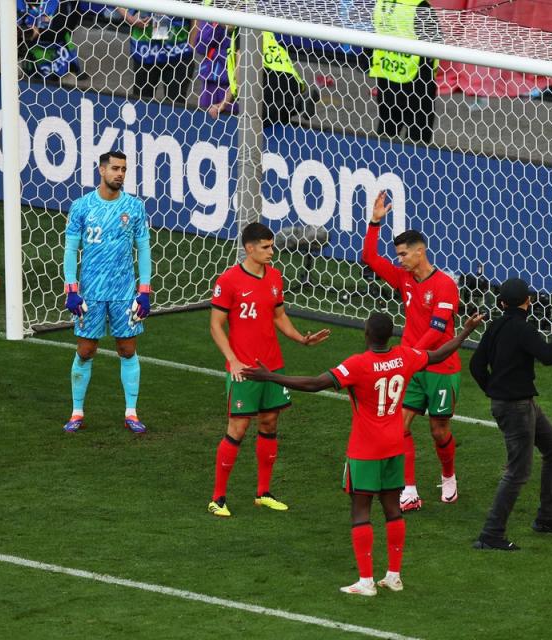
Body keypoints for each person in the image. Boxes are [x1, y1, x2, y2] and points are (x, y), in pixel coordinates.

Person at [242, 311, 485, 595]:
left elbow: (314, 383)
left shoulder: (358, 365)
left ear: (366, 334)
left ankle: (366, 581)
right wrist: (465, 331)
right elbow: (439, 354)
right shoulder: (405, 356)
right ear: (390, 335)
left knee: (361, 511)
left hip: (365, 450)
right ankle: (394, 576)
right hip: (395, 447)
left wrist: (270, 377)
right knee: (393, 509)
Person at [207, 222, 331, 517]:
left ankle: (263, 493)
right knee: (237, 427)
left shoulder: (275, 276)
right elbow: (215, 325)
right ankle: (218, 498)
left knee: (270, 424)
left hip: (272, 368)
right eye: (265, 247)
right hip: (245, 370)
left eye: (271, 246)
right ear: (249, 248)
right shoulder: (230, 280)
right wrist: (233, 360)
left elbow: (279, 316)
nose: (271, 252)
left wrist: (301, 338)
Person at [362, 191, 461, 512]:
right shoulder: (403, 278)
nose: (399, 259)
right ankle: (409, 490)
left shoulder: (445, 285)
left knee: (438, 429)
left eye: (404, 254)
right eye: (399, 255)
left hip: (440, 366)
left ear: (421, 252)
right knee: (399, 426)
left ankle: (449, 478)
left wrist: (409, 355)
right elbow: (370, 258)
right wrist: (375, 221)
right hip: (413, 366)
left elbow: (436, 329)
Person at [468, 277, 552, 551]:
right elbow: (549, 356)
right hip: (517, 407)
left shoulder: (494, 327)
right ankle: (491, 534)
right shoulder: (523, 329)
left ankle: (548, 517)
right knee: (518, 471)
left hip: (518, 405)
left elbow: (476, 365)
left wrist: (493, 389)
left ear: (502, 303)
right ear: (528, 302)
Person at [62, 150, 153, 434]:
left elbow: (144, 249)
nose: (120, 174)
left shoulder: (135, 207)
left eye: (124, 169)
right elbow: (70, 249)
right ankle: (77, 412)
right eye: (115, 168)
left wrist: (145, 291)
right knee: (86, 350)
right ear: (101, 170)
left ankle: (131, 412)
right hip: (90, 292)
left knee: (127, 349)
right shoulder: (82, 206)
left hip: (124, 292)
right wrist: (72, 290)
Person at [207, 28, 314, 127]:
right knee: (276, 120)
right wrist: (223, 104)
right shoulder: (261, 29)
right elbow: (235, 81)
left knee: (253, 117)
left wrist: (243, 96)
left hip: (269, 79)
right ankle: (297, 103)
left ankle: (297, 104)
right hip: (290, 82)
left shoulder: (242, 27)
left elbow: (241, 62)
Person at [369, 0, 439, 145]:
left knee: (386, 135)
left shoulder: (382, 3)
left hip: (387, 78)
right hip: (417, 83)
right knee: (417, 143)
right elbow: (436, 44)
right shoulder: (420, 5)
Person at [114, 8, 194, 104]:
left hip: (178, 49)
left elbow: (197, 12)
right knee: (142, 102)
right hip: (146, 48)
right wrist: (129, 18)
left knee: (176, 104)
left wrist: (191, 46)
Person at [17, 0, 84, 80]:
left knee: (63, 81)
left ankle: (70, 66)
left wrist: (36, 32)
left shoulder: (59, 3)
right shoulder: (14, 4)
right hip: (32, 48)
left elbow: (59, 33)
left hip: (58, 47)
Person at [190, 0, 231, 111]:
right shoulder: (213, 6)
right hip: (210, 81)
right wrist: (217, 25)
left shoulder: (250, 9)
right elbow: (200, 46)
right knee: (205, 119)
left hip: (235, 83)